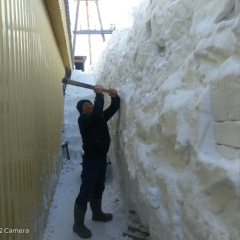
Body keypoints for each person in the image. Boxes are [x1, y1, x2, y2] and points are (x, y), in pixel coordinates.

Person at [73, 84, 120, 239]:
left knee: (99, 188)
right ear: (81, 111)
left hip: (101, 159)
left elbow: (113, 109)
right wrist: (99, 95)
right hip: (91, 161)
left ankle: (97, 214)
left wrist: (114, 96)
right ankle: (78, 224)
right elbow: (96, 115)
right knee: (86, 191)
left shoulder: (98, 117)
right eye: (85, 106)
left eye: (89, 104)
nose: (88, 105)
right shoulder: (84, 121)